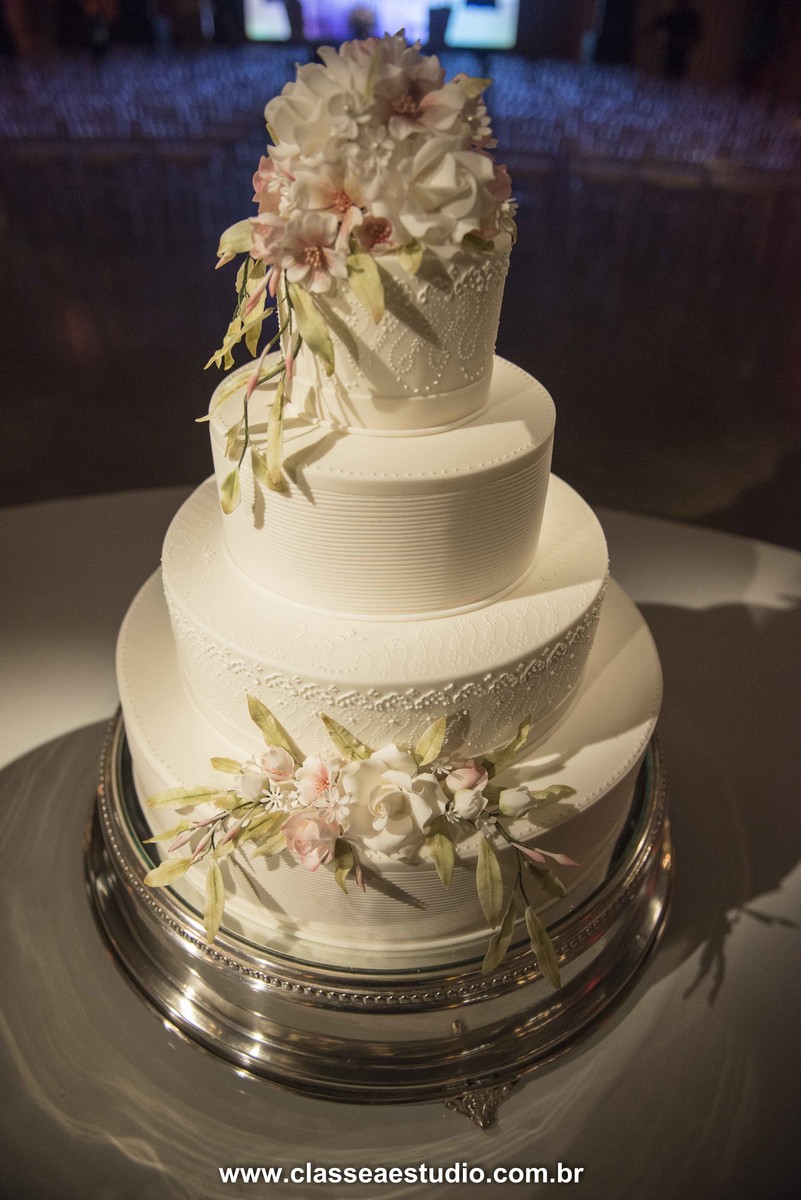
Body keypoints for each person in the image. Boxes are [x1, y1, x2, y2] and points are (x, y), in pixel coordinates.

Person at [646, 0, 703, 80]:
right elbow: (660, 22)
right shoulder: (674, 14)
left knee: (677, 75)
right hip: (671, 48)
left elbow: (697, 34)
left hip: (681, 50)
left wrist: (686, 42)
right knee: (667, 74)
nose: (679, 4)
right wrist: (648, 31)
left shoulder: (691, 16)